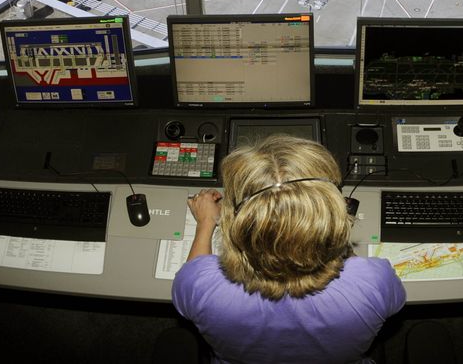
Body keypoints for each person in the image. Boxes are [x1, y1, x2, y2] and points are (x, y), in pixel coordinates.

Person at [171, 134, 406, 363]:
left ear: (236, 223)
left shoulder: (202, 287)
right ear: (334, 216)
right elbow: (393, 306)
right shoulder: (374, 281)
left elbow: (194, 270)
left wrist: (205, 222)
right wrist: (333, 240)